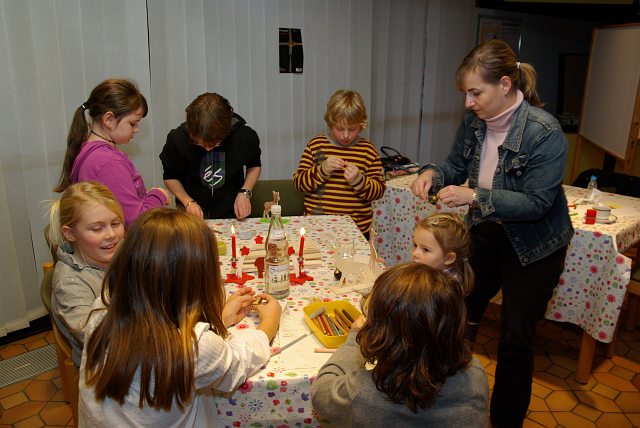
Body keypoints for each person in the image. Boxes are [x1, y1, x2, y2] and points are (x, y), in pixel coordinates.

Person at [411, 39, 573, 427]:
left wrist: (474, 196)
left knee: (516, 339)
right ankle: (450, 408)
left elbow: (536, 203)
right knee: (457, 319)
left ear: (504, 84)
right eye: (466, 94)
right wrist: (433, 173)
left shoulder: (544, 131)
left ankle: (504, 421)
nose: (468, 103)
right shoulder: (475, 122)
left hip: (535, 245)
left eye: (475, 93)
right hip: (487, 232)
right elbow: (455, 164)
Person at [78, 209, 281, 426]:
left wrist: (219, 318)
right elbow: (239, 362)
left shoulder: (101, 312)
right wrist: (270, 322)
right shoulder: (194, 347)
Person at [311, 262, 489, 427]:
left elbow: (321, 392)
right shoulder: (476, 375)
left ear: (381, 335)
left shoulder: (362, 393)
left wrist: (354, 340)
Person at [54, 78, 169, 227]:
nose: (137, 129)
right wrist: (158, 196)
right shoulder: (107, 162)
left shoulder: (91, 151)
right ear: (109, 119)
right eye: (132, 123)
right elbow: (135, 221)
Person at [47, 181, 125, 367]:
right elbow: (94, 337)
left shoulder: (116, 252)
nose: (111, 234)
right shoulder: (70, 283)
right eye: (97, 228)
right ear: (70, 233)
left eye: (116, 223)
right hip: (104, 365)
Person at [293, 89, 385, 237]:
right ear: (330, 123)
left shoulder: (368, 150)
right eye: (340, 129)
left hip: (357, 230)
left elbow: (379, 191)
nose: (346, 135)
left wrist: (359, 180)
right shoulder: (316, 145)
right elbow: (299, 184)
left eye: (352, 129)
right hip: (317, 227)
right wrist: (322, 170)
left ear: (361, 125)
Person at [160, 93, 261, 219]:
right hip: (190, 213)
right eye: (199, 143)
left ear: (227, 131)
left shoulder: (244, 136)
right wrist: (188, 202)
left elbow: (254, 165)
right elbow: (170, 176)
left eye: (215, 144)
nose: (207, 149)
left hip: (232, 213)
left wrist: (245, 192)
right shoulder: (177, 139)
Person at [412, 213, 474, 295]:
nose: (415, 253)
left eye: (425, 249)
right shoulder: (427, 270)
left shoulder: (444, 290)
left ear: (448, 258)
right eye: (415, 245)